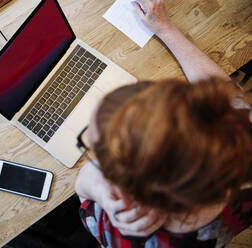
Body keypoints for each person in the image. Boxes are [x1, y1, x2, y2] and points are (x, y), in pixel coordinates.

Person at [74, 0, 252, 247]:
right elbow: (224, 94)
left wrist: (99, 191)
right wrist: (166, 29)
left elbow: (82, 190)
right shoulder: (239, 134)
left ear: (130, 190)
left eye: (94, 146)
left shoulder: (125, 234)